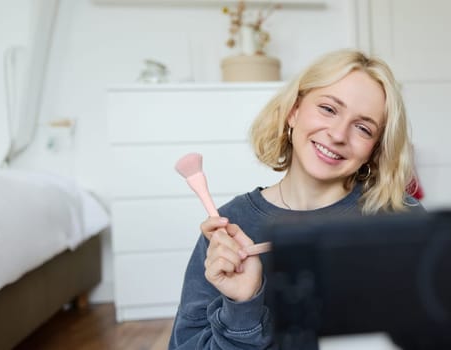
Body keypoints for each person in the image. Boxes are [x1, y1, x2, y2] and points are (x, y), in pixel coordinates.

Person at [169, 49, 422, 350]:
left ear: (375, 148)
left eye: (363, 128)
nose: (338, 134)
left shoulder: (400, 218)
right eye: (328, 109)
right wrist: (243, 307)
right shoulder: (230, 228)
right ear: (294, 110)